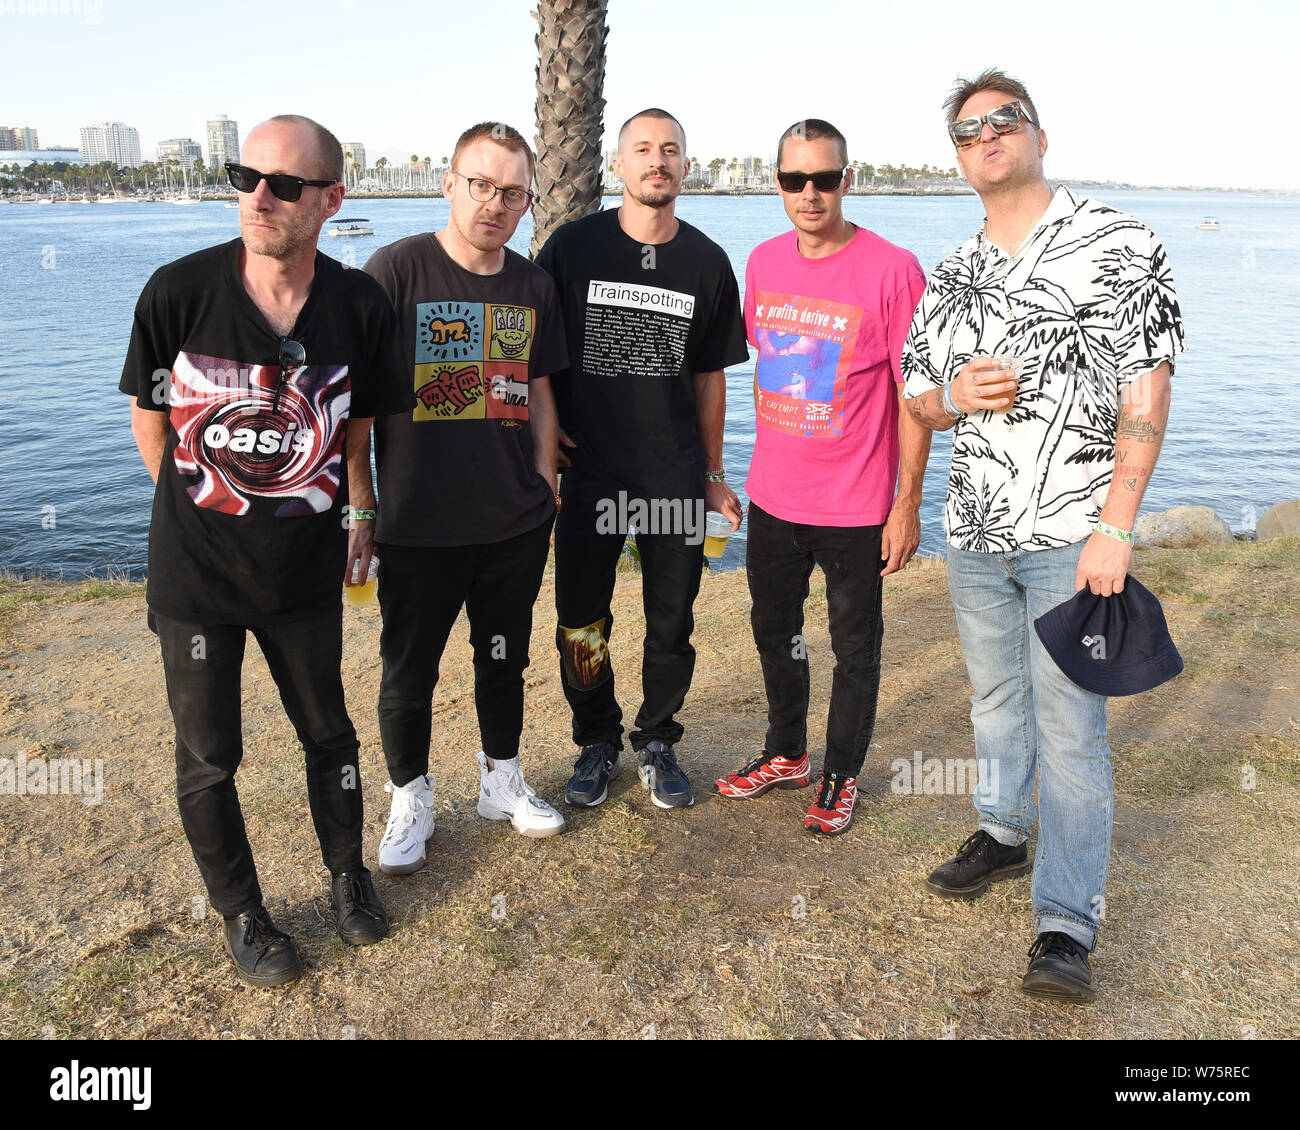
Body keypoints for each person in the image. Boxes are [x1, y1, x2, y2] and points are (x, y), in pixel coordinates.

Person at [901, 70, 1183, 1001]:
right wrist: (951, 398)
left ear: (1039, 133)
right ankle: (1002, 831)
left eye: (1002, 122)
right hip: (975, 529)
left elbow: (1148, 389)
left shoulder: (1119, 243)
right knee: (993, 700)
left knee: (1070, 728)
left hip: (1073, 534)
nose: (986, 138)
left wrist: (1117, 525)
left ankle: (1065, 926)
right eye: (968, 130)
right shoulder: (952, 271)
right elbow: (915, 397)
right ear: (958, 156)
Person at [120, 115, 412, 987]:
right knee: (211, 758)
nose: (258, 196)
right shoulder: (178, 291)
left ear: (330, 199)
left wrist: (361, 517)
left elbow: (356, 432)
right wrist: (209, 514)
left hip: (307, 577)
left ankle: (347, 879)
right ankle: (244, 914)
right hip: (197, 579)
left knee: (329, 732)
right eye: (247, 175)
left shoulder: (359, 305)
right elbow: (149, 421)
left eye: (284, 184)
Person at [360, 122, 568, 873]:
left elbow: (542, 390)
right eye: (480, 184)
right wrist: (363, 506)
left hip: (513, 521)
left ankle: (500, 779)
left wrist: (546, 480)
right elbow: (356, 407)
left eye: (513, 192)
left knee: (502, 660)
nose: (495, 203)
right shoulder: (395, 270)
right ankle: (409, 794)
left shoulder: (533, 284)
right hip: (417, 524)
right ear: (449, 184)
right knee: (408, 672)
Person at [713, 119, 929, 835]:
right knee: (774, 631)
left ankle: (840, 776)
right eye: (794, 179)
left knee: (853, 648)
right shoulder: (765, 262)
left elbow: (915, 396)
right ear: (775, 182)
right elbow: (771, 373)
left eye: (825, 178)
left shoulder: (893, 269)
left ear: (847, 179)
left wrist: (906, 506)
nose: (810, 193)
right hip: (775, 498)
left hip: (856, 505)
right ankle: (786, 753)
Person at [535, 108, 749, 811]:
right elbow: (535, 353)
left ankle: (657, 738)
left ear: (685, 167)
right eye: (643, 150)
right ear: (618, 166)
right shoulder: (572, 249)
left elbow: (711, 376)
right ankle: (595, 739)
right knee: (581, 623)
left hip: (672, 476)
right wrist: (546, 438)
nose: (657, 161)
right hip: (590, 475)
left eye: (670, 150)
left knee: (671, 621)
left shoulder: (707, 262)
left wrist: (714, 476)